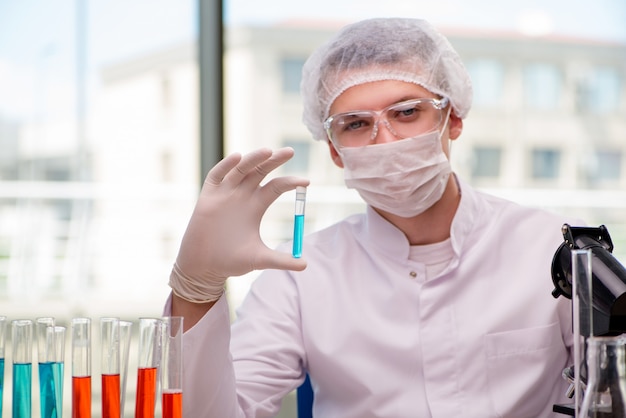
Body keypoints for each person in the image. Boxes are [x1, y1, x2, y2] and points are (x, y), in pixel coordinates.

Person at [166, 17, 582, 417]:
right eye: (356, 123)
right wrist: (196, 288)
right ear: (334, 149)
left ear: (451, 118)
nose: (385, 140)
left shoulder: (552, 249)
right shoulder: (300, 274)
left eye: (406, 112)